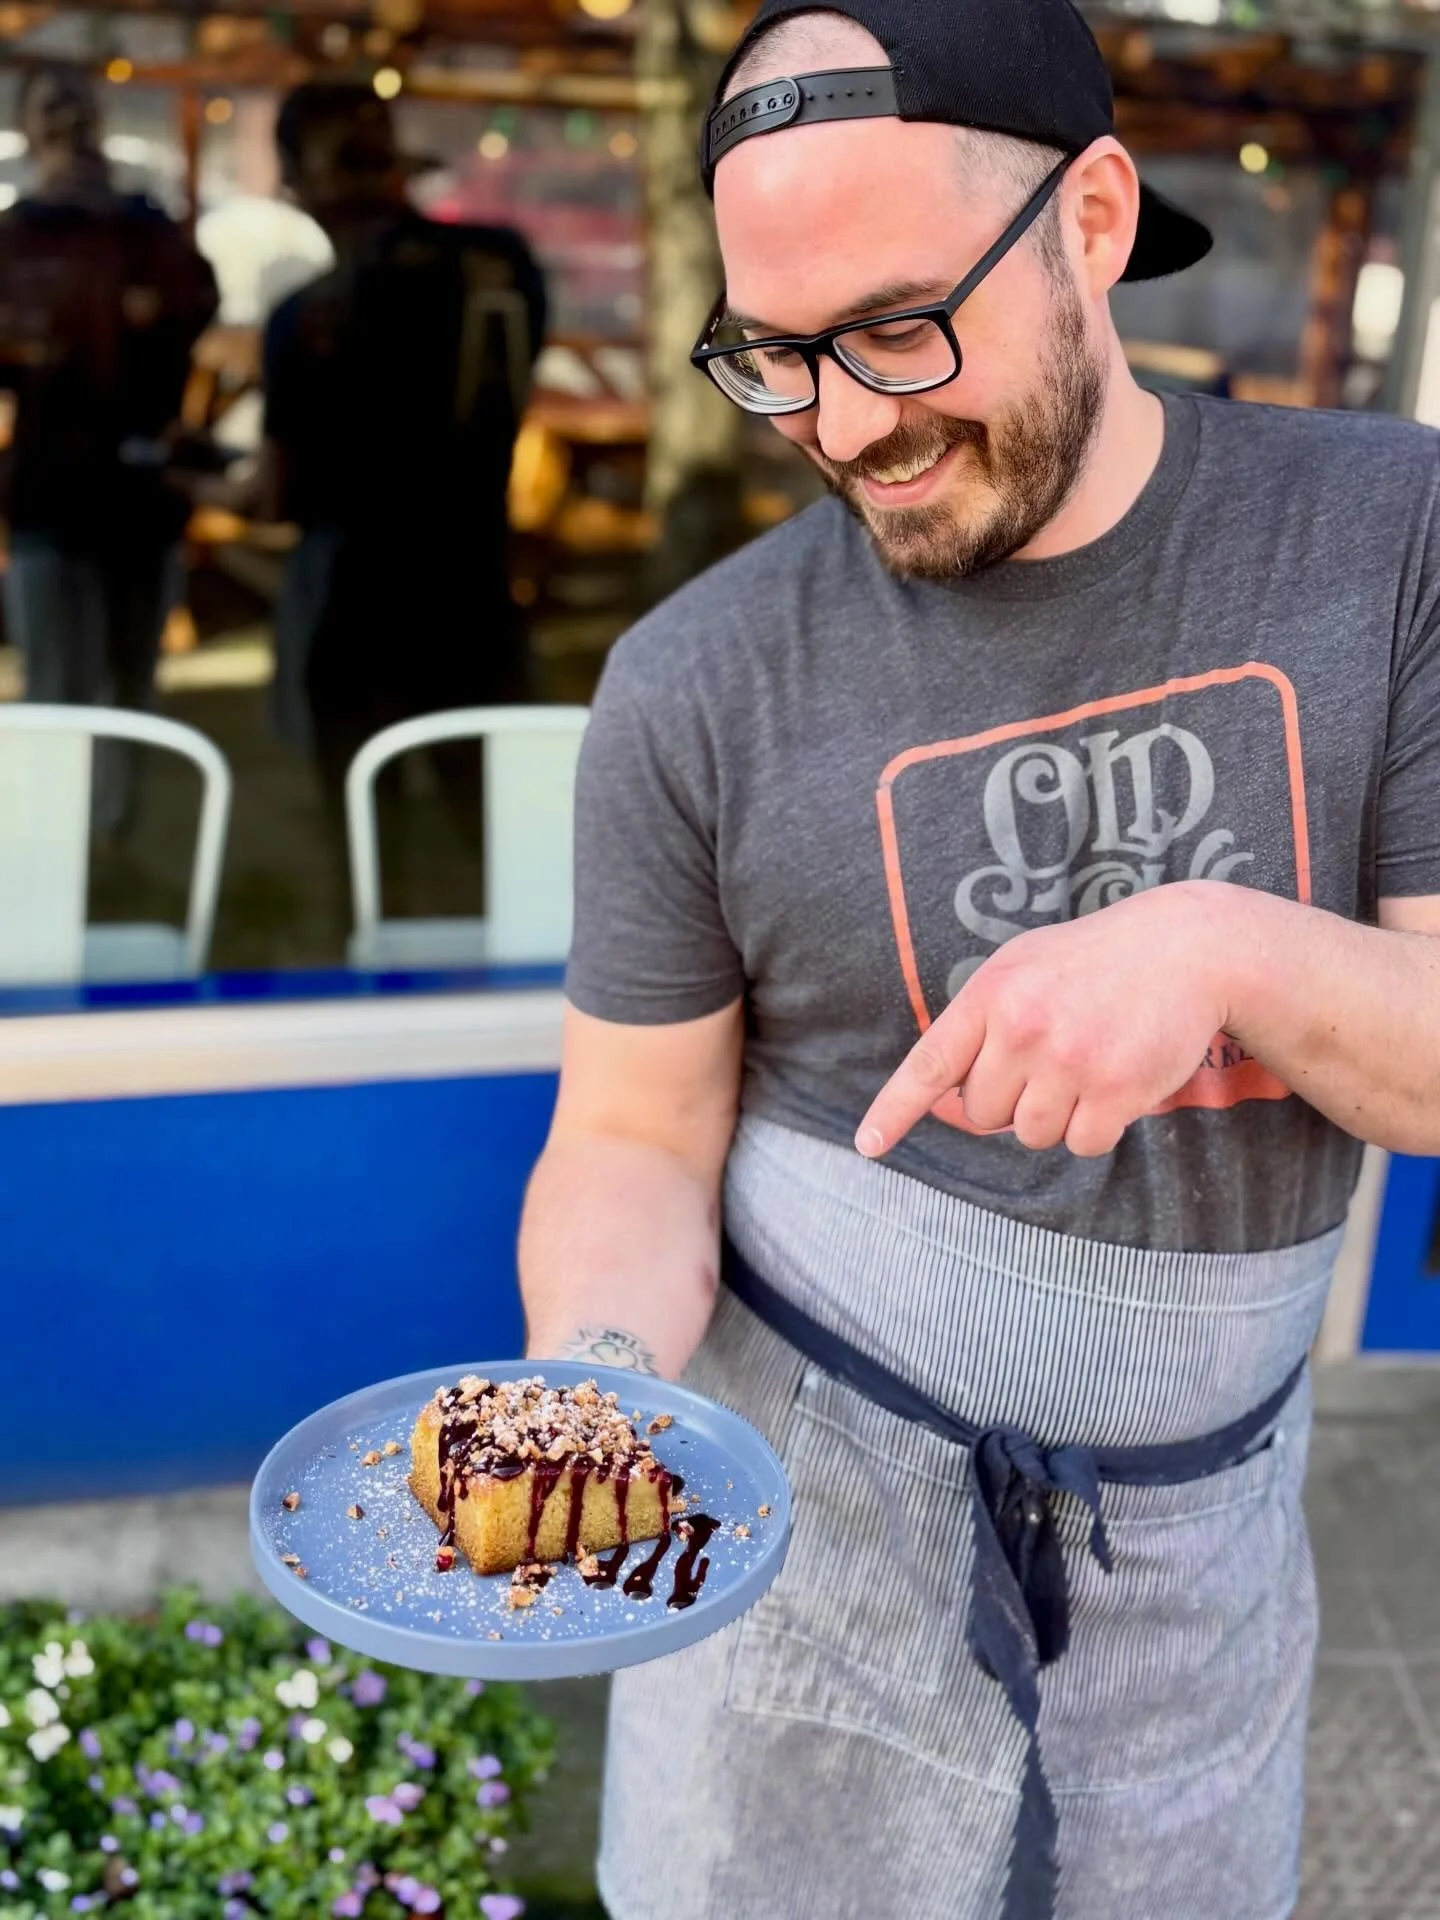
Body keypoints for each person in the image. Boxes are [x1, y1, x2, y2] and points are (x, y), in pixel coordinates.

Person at [517, 2, 1440, 1917]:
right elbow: (630, 1132)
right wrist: (602, 1383)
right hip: (802, 1550)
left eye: (896, 327)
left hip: (1201, 1546)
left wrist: (1227, 946)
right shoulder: (694, 678)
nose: (845, 424)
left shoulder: (1392, 539)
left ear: (1094, 218)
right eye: (777, 356)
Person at [260, 82, 546, 840]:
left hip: (356, 607)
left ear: (297, 181)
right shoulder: (500, 263)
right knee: (499, 851)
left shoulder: (305, 317)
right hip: (476, 594)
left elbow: (276, 493)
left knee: (367, 854)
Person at [0, 63, 217, 836]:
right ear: (31, 131)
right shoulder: (17, 236)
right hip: (50, 498)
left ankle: (110, 835)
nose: (65, 128)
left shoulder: (145, 229)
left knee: (129, 684)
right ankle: (53, 843)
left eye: (76, 114)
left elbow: (193, 304)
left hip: (135, 498)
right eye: (50, 114)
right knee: (58, 686)